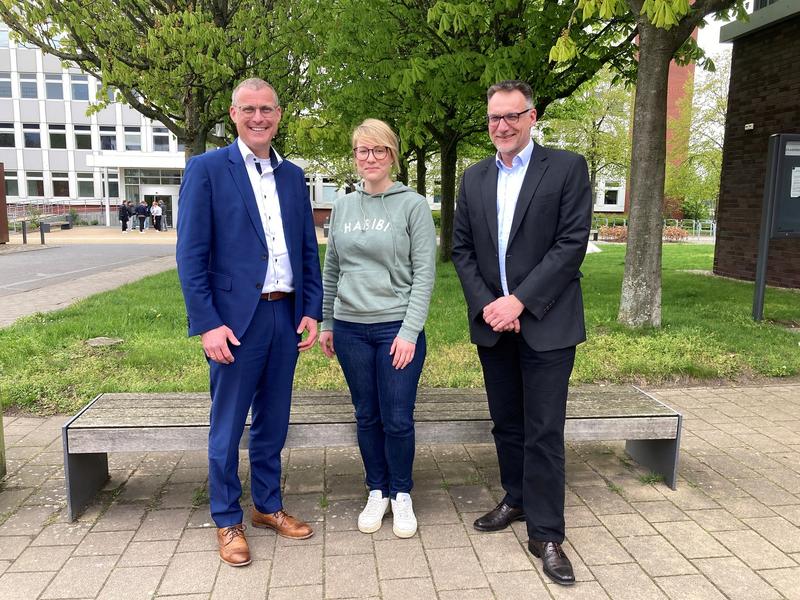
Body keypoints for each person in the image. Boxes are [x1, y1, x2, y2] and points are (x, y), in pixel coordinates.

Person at [176, 77, 323, 567]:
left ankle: (267, 506)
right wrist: (207, 323)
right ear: (233, 114)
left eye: (268, 110)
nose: (259, 118)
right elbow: (191, 255)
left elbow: (306, 250)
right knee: (228, 424)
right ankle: (226, 519)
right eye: (249, 110)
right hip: (236, 321)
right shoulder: (207, 170)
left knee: (273, 422)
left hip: (285, 314)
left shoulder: (293, 175)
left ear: (279, 114)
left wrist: (311, 308)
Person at [451, 80, 591, 586]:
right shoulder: (473, 178)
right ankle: (516, 498)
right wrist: (490, 306)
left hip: (546, 323)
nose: (503, 126)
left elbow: (571, 244)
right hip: (495, 326)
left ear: (533, 117)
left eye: (513, 116)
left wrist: (520, 301)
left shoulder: (567, 168)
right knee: (507, 424)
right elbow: (461, 250)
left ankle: (548, 532)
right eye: (494, 118)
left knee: (544, 429)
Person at [319, 119, 436, 538]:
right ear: (354, 156)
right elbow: (332, 267)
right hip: (351, 329)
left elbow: (424, 274)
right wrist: (327, 320)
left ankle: (402, 493)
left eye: (379, 151)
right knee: (366, 414)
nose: (370, 158)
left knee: (398, 417)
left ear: (392, 156)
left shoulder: (413, 205)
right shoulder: (343, 205)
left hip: (395, 329)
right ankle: (377, 490)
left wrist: (408, 332)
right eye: (362, 151)